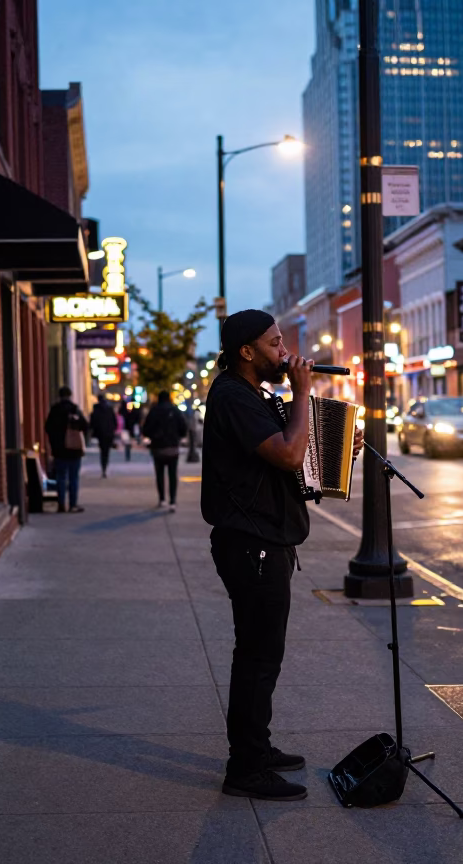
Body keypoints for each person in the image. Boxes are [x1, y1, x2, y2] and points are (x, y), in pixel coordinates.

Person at [202, 309, 362, 802]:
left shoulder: (251, 396)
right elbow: (289, 456)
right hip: (252, 546)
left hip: (266, 540)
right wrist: (301, 392)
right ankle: (245, 767)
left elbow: (294, 468)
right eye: (275, 344)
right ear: (246, 352)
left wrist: (339, 453)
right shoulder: (233, 395)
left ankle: (258, 746)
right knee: (257, 656)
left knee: (263, 654)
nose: (286, 351)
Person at [44, 386, 88, 513]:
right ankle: (73, 504)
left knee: (61, 477)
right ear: (70, 395)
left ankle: (61, 504)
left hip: (59, 450)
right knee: (73, 478)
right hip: (74, 450)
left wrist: (54, 443)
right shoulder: (74, 410)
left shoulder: (55, 410)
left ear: (59, 396)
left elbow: (48, 428)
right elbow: (85, 426)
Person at [142, 391, 187, 511]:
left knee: (159, 474)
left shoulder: (154, 411)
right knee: (173, 475)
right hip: (172, 447)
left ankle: (162, 499)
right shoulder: (175, 411)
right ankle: (172, 501)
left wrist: (153, 436)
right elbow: (183, 428)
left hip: (158, 448)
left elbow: (146, 430)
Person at [90, 396, 118, 478]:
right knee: (106, 452)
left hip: (100, 433)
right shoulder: (109, 409)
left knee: (103, 451)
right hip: (108, 433)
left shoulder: (96, 409)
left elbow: (93, 421)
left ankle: (103, 468)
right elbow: (114, 422)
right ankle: (104, 467)